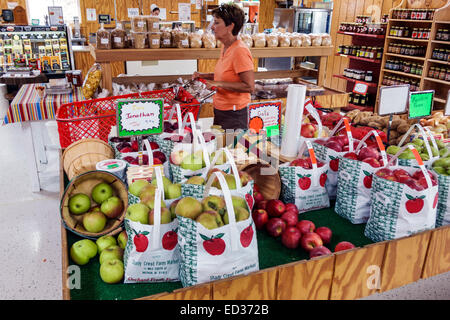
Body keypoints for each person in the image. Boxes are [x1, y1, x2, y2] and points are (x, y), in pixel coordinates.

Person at [192, 3, 254, 130]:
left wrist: (217, 84)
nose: (213, 27)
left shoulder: (240, 51)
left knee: (232, 149)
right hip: (221, 109)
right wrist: (204, 76)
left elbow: (249, 86)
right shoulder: (225, 46)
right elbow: (227, 75)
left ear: (230, 26)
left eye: (217, 23)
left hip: (235, 115)